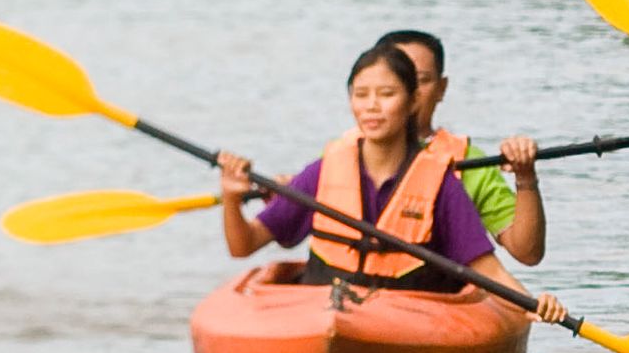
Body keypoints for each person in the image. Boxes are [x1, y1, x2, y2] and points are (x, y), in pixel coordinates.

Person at [214, 40, 566, 320]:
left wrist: (534, 305)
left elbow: (488, 271)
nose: (372, 107)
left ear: (412, 101)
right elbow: (242, 245)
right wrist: (231, 199)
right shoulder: (322, 171)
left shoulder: (441, 183)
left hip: (408, 316)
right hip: (321, 308)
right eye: (361, 94)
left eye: (386, 95)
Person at [375, 28, 548, 262]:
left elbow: (527, 252)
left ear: (441, 88)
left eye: (422, 80)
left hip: (435, 292)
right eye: (398, 80)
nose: (411, 92)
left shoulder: (470, 162)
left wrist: (525, 177)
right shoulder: (342, 157)